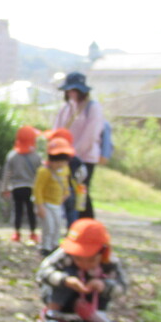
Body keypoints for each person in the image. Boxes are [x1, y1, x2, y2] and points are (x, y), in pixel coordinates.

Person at [36, 218, 128, 322]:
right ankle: (52, 313)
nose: (84, 264)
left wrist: (104, 286)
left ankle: (96, 316)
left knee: (107, 282)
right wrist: (65, 280)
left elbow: (122, 287)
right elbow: (43, 272)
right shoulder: (65, 255)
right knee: (68, 271)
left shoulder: (109, 262)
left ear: (103, 252)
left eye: (91, 260)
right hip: (62, 296)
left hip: (90, 301)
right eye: (78, 259)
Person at [52, 72, 105, 218]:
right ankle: (73, 225)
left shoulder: (93, 108)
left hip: (84, 158)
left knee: (81, 192)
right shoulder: (66, 108)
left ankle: (87, 225)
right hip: (64, 157)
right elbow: (57, 130)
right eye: (69, 90)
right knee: (67, 193)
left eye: (74, 90)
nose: (70, 93)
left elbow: (91, 134)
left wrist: (74, 153)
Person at [33, 137, 73, 256]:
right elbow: (37, 189)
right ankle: (45, 247)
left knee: (57, 226)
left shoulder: (65, 170)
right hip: (46, 204)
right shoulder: (44, 172)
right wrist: (39, 206)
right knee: (48, 226)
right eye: (57, 161)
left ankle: (55, 246)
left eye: (63, 161)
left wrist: (66, 193)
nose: (60, 164)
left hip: (57, 204)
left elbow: (65, 183)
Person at [0, 125, 40, 244]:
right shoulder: (36, 157)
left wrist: (5, 188)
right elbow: (40, 174)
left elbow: (7, 173)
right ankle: (33, 233)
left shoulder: (12, 155)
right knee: (31, 211)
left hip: (16, 188)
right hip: (31, 188)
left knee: (17, 210)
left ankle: (17, 233)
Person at [44, 127, 88, 228]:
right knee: (72, 213)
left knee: (59, 212)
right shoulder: (76, 158)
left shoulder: (52, 160)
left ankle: (58, 231)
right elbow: (83, 172)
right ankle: (71, 232)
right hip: (73, 189)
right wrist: (77, 181)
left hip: (59, 191)